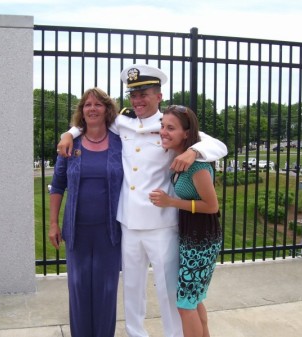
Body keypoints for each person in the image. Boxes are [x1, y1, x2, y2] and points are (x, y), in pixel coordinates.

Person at [57, 64, 227, 337]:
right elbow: (90, 121)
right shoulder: (122, 120)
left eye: (144, 94)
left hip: (161, 224)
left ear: (158, 96)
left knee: (167, 291)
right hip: (129, 221)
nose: (137, 101)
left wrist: (193, 152)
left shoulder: (169, 124)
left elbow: (218, 145)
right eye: (133, 95)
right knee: (132, 291)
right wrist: (69, 134)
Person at [49, 87, 124, 337]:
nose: (92, 108)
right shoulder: (69, 145)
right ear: (82, 111)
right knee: (79, 289)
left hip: (109, 232)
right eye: (87, 105)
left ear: (107, 109)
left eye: (98, 104)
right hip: (77, 231)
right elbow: (58, 185)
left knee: (106, 290)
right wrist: (53, 224)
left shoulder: (120, 143)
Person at [149, 105, 222, 337]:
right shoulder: (181, 158)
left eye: (171, 128)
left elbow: (212, 206)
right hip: (192, 237)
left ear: (186, 134)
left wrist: (171, 202)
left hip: (202, 241)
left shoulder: (197, 166)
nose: (163, 132)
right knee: (195, 299)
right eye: (162, 126)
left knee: (185, 305)